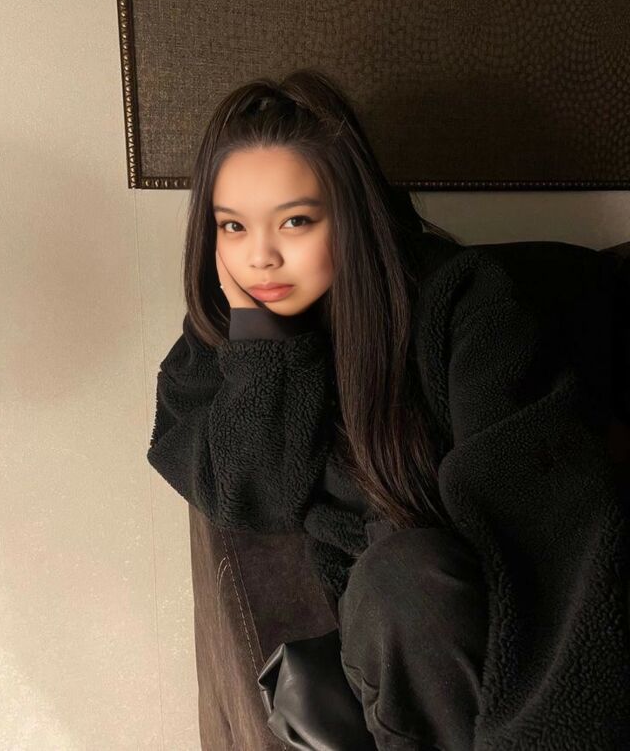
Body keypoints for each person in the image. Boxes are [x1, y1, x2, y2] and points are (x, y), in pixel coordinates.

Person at [147, 67, 630, 748]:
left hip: (506, 621)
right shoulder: (218, 352)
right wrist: (263, 346)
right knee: (404, 581)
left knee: (417, 575)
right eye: (233, 226)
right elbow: (249, 496)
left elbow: (546, 523)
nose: (261, 256)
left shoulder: (466, 305)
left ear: (349, 213)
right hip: (397, 638)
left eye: (295, 221)